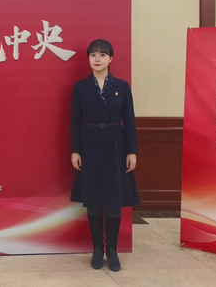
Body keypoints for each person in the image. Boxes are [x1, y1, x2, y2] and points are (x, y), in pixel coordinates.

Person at [70, 39, 140, 272]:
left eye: (102, 54)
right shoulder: (80, 87)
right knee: (92, 199)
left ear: (110, 58)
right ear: (88, 59)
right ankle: (97, 249)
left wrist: (132, 151)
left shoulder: (122, 86)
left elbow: (129, 121)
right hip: (89, 146)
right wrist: (75, 150)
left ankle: (112, 250)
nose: (97, 59)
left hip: (116, 146)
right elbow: (74, 122)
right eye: (93, 55)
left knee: (113, 200)